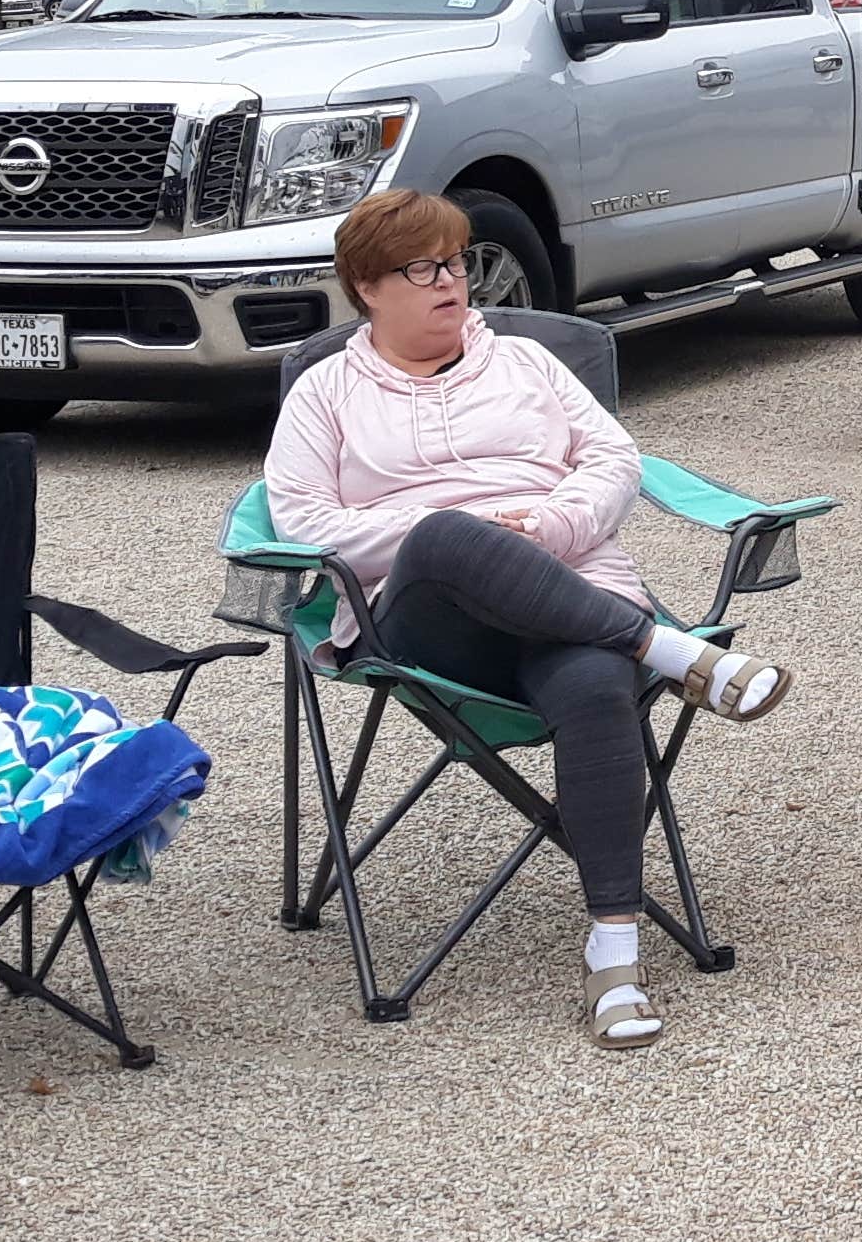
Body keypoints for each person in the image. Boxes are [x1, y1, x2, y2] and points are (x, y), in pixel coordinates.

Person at [264, 188, 792, 1048]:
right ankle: (672, 652)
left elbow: (613, 457)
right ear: (367, 286)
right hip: (432, 627)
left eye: (457, 261)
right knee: (444, 533)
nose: (451, 282)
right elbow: (303, 523)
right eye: (423, 268)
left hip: (570, 587)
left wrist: (551, 525)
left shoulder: (526, 365)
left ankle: (614, 958)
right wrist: (446, 532)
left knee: (591, 687)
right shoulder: (325, 394)